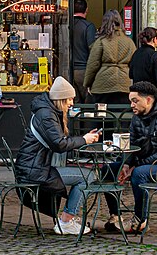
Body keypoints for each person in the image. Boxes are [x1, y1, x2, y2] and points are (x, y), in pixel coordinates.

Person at [14, 76, 102, 235]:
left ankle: (67, 219)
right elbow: (60, 144)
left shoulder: (47, 111)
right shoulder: (47, 115)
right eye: (70, 99)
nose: (72, 103)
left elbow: (59, 141)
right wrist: (84, 139)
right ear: (61, 99)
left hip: (35, 166)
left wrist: (84, 139)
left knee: (86, 174)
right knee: (87, 176)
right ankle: (67, 221)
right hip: (34, 170)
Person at [103, 82, 157, 235]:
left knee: (139, 173)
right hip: (144, 162)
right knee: (108, 169)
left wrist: (134, 167)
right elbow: (130, 145)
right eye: (131, 101)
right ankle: (115, 216)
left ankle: (140, 220)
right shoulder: (137, 118)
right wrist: (126, 163)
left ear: (148, 100)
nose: (132, 105)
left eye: (135, 100)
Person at [84, 10, 136, 106]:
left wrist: (87, 83)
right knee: (121, 116)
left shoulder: (101, 41)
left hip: (102, 85)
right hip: (124, 85)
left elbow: (93, 65)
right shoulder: (129, 42)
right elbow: (134, 65)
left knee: (102, 116)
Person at [70, 0, 97, 98]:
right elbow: (93, 51)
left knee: (74, 104)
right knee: (87, 103)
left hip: (66, 69)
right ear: (86, 10)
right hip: (83, 70)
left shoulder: (66, 25)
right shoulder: (88, 27)